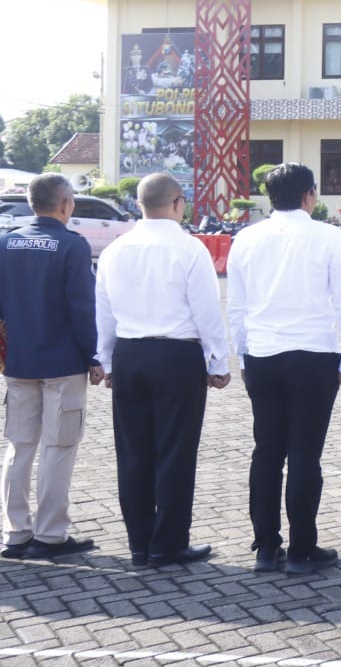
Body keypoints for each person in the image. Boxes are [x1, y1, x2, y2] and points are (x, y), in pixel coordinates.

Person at [227, 162, 341, 575]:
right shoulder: (329, 236)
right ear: (309, 195)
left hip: (264, 355)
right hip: (313, 355)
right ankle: (303, 548)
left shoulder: (246, 238)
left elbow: (236, 306)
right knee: (305, 454)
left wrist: (244, 355)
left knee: (267, 451)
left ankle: (266, 547)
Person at [95, 172, 230, 567]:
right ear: (177, 203)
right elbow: (206, 312)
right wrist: (217, 361)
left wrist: (105, 360)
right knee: (175, 452)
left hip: (130, 354)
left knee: (133, 452)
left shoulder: (115, 250)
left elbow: (103, 310)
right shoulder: (189, 249)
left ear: (139, 204)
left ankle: (139, 542)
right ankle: (168, 543)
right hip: (177, 357)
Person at [0, 173, 99, 560]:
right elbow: (81, 307)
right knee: (58, 447)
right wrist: (94, 355)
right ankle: (50, 534)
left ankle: (16, 532)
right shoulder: (71, 246)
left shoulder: (6, 242)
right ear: (64, 204)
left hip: (19, 363)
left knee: (18, 448)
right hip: (63, 363)